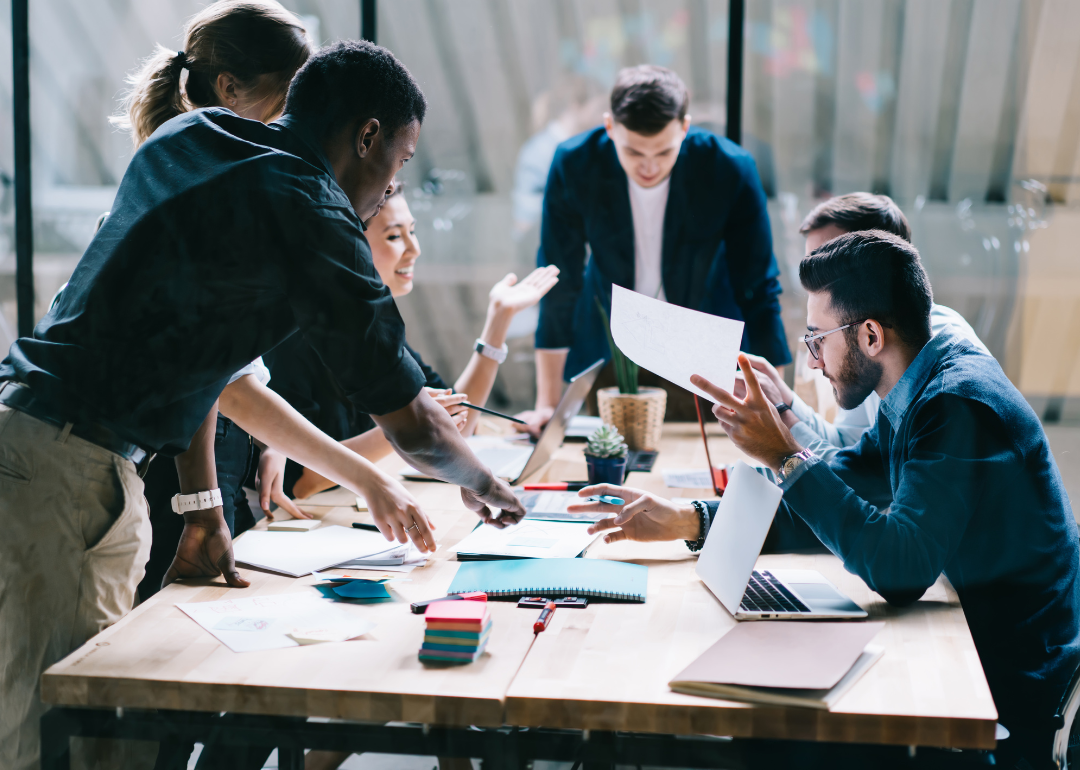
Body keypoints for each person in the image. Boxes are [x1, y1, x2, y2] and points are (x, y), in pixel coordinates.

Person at [0, 39, 524, 770]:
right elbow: (407, 418)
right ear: (366, 135)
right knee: (53, 737)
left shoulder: (195, 135)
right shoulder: (307, 207)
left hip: (43, 445)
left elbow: (198, 354)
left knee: (86, 733)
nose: (390, 187)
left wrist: (202, 508)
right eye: (399, 163)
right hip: (66, 471)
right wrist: (491, 488)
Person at [573, 231, 1080, 768]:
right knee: (770, 725)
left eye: (818, 339)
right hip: (972, 648)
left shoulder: (955, 403)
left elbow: (900, 569)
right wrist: (691, 519)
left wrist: (785, 454)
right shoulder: (917, 386)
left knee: (781, 739)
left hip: (1010, 690)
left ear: (869, 336)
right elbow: (841, 487)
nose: (812, 361)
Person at [104, 0, 314, 605]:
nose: (289, 127)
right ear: (229, 88)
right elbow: (222, 381)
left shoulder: (181, 180)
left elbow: (209, 368)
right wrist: (375, 482)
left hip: (136, 469)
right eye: (287, 101)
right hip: (99, 463)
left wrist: (205, 502)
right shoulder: (190, 199)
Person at [523, 64, 790, 428]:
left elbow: (759, 286)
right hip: (609, 353)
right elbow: (559, 282)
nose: (648, 167)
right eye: (633, 152)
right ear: (609, 127)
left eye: (664, 153)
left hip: (705, 353)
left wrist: (782, 409)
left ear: (684, 128)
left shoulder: (728, 167)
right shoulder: (574, 164)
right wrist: (547, 404)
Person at [260, 182, 560, 501]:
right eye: (393, 236)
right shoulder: (294, 339)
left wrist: (498, 321)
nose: (414, 249)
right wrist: (403, 427)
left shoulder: (373, 330)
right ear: (346, 246)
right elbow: (299, 483)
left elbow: (456, 423)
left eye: (412, 232)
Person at [737, 192, 991, 461]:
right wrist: (783, 398)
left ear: (873, 257)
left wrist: (781, 433)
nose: (813, 282)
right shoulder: (868, 352)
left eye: (827, 262)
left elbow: (864, 489)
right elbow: (851, 452)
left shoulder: (923, 366)